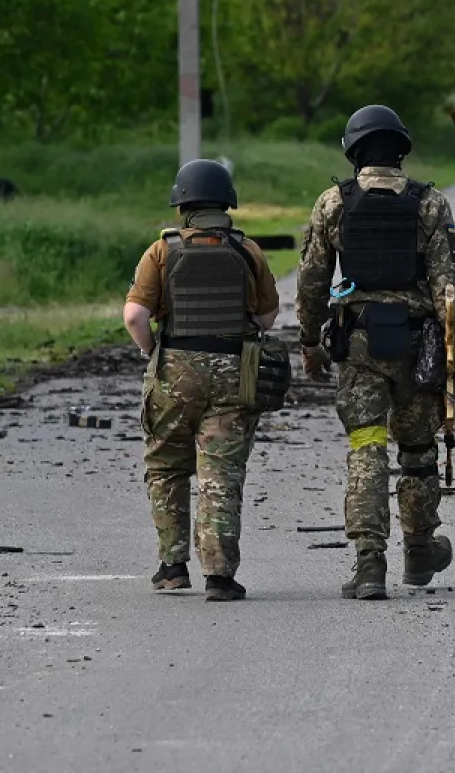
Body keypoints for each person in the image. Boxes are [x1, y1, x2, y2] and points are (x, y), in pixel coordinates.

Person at [297, 105, 455, 601]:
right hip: (418, 346)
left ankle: (369, 563)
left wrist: (309, 342)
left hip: (358, 346)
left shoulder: (333, 203)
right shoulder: (430, 204)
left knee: (367, 445)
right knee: (418, 451)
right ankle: (419, 550)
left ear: (353, 151)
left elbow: (311, 281)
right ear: (400, 150)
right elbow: (450, 292)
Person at [122, 159, 280, 602]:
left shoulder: (162, 251)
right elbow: (267, 316)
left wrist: (149, 350)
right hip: (234, 373)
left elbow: (135, 315)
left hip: (175, 373)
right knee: (221, 474)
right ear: (227, 201)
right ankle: (219, 575)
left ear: (182, 204)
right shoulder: (248, 250)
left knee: (167, 466)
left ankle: (172, 567)